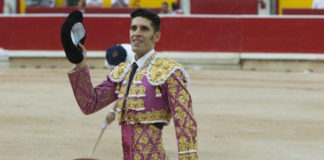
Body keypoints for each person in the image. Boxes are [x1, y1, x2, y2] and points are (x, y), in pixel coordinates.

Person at [67, 8, 198, 160]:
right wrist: (80, 64)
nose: (137, 33)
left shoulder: (168, 71)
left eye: (144, 28)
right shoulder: (123, 72)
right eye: (133, 28)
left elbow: (185, 122)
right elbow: (90, 104)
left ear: (157, 36)